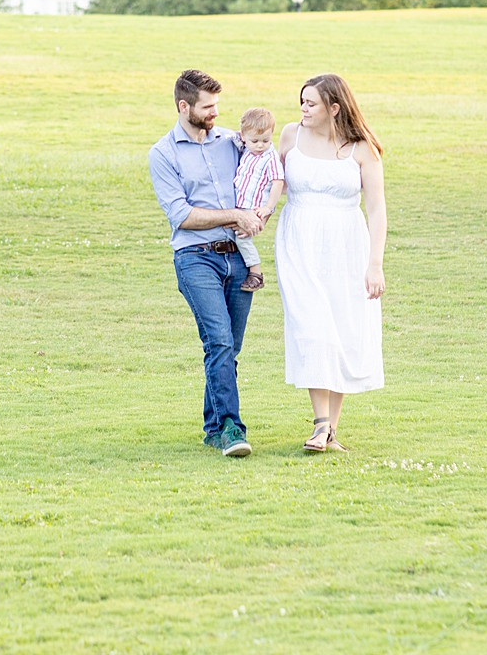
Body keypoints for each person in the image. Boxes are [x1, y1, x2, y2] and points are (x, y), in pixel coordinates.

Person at [149, 69, 264, 458]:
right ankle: (233, 428)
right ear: (185, 107)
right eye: (208, 106)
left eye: (218, 105)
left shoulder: (232, 142)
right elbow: (181, 215)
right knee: (218, 340)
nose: (216, 112)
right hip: (195, 259)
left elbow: (263, 171)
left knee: (228, 348)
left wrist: (259, 212)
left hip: (239, 259)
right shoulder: (163, 153)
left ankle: (213, 428)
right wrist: (235, 214)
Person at [274, 73, 386, 452]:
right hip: (299, 242)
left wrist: (375, 264)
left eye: (311, 103)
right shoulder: (290, 136)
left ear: (334, 108)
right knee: (313, 327)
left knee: (343, 332)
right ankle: (320, 423)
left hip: (346, 246)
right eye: (301, 102)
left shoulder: (361, 149)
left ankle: (328, 430)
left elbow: (376, 209)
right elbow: (273, 181)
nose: (303, 109)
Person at [231, 107, 286, 292]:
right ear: (244, 137)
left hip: (253, 207)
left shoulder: (270, 158)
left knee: (242, 238)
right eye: (255, 141)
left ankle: (256, 273)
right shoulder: (247, 149)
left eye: (266, 140)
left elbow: (278, 182)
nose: (260, 145)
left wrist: (268, 207)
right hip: (238, 204)